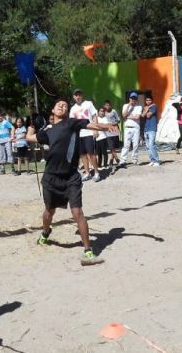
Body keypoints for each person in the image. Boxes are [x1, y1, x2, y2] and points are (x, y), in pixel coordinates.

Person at [25, 99, 115, 265]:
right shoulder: (48, 131)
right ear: (52, 109)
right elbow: (30, 138)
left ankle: (88, 252)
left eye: (65, 105)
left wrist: (107, 126)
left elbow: (92, 126)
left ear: (68, 111)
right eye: (58, 104)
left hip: (71, 177)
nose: (61, 106)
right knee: (49, 212)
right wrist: (31, 126)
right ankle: (45, 232)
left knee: (77, 212)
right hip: (51, 178)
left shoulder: (72, 123)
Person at [70, 89, 100, 182]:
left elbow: (95, 116)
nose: (78, 97)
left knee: (91, 153)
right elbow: (72, 123)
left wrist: (95, 129)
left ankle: (96, 172)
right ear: (73, 97)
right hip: (79, 134)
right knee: (82, 155)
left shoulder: (88, 104)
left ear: (82, 96)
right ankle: (87, 173)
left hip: (89, 132)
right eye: (76, 95)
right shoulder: (73, 109)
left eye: (79, 95)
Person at [120, 92, 142, 166]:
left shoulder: (139, 107)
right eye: (132, 98)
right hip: (127, 128)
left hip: (136, 128)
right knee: (126, 145)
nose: (133, 100)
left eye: (135, 98)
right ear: (129, 99)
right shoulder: (125, 105)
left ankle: (135, 160)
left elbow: (137, 117)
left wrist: (128, 117)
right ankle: (122, 161)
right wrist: (129, 105)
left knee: (135, 145)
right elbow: (123, 115)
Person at [142, 95, 160, 167]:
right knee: (148, 146)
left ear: (152, 100)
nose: (148, 101)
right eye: (146, 100)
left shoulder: (153, 107)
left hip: (152, 128)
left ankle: (156, 160)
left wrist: (147, 108)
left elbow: (148, 115)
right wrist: (146, 109)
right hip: (146, 128)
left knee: (151, 145)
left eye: (149, 100)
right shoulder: (147, 107)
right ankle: (152, 160)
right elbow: (142, 115)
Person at [102, 100, 121, 168]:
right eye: (106, 105)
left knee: (113, 147)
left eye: (109, 105)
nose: (108, 106)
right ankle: (118, 160)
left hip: (115, 130)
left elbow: (118, 120)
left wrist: (112, 124)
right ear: (104, 106)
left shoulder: (113, 111)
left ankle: (111, 161)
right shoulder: (103, 112)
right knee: (111, 147)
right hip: (108, 132)